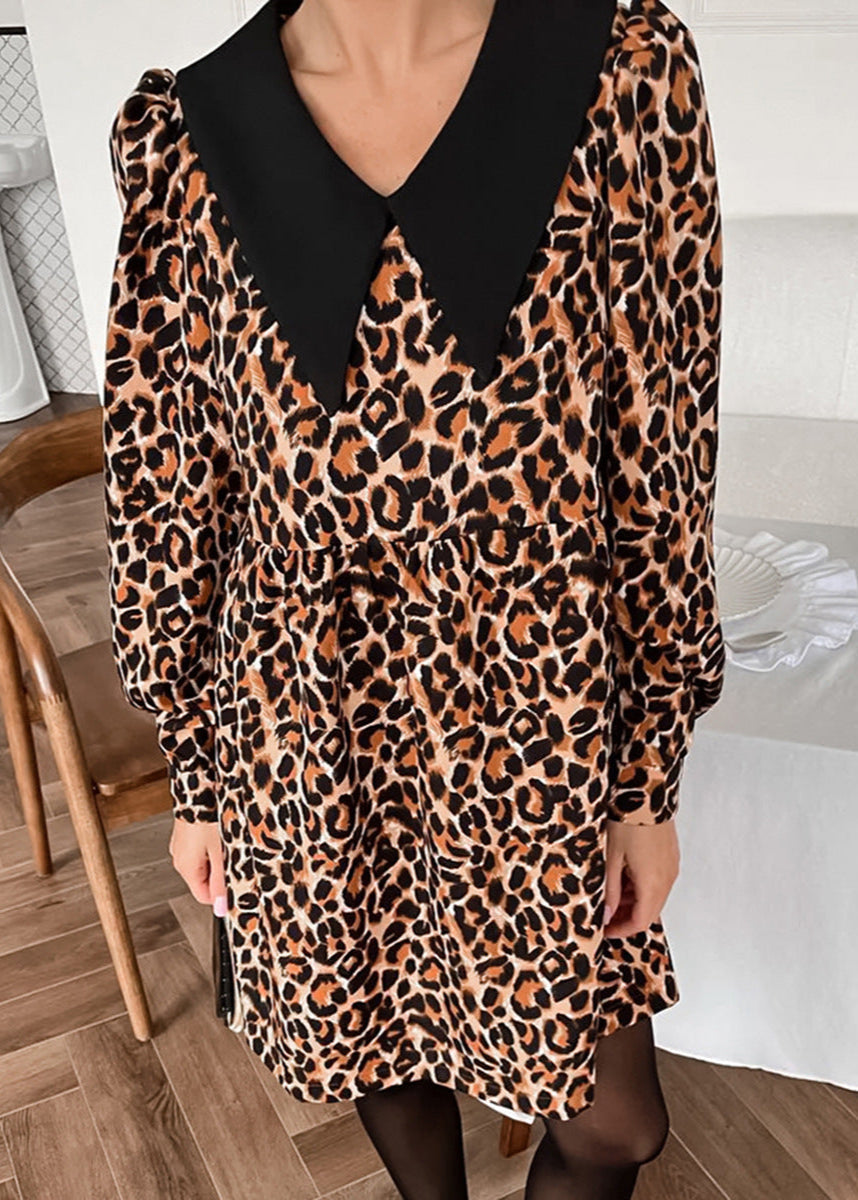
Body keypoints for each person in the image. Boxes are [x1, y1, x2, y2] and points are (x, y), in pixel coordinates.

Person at [102, 0, 725, 1195]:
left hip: (540, 712)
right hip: (305, 722)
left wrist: (647, 778)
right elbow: (171, 495)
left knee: (617, 1124)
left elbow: (662, 461)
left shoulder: (620, 71)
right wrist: (202, 779)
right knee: (377, 1037)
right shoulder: (190, 138)